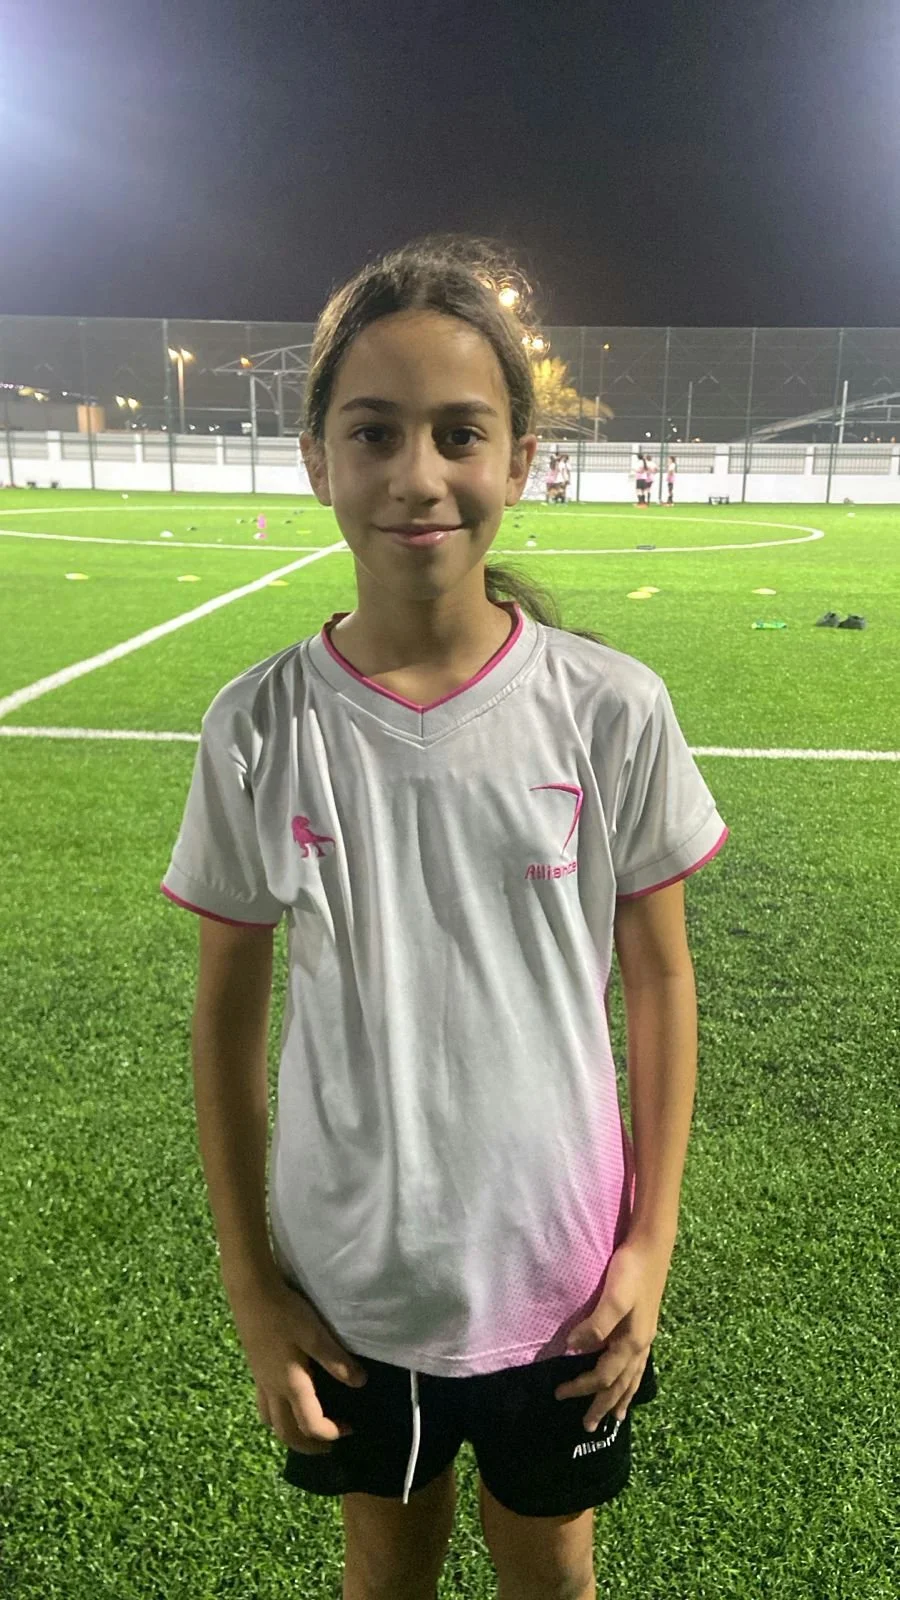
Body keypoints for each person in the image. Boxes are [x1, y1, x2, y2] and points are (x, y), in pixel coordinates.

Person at [161, 235, 728, 1600]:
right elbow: (228, 1023)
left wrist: (649, 1249)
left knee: (553, 1577)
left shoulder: (612, 709)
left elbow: (658, 985)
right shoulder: (260, 727)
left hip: (565, 1276)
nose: (419, 475)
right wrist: (253, 1288)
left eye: (460, 434)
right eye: (375, 432)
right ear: (318, 460)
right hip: (357, 1287)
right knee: (384, 1572)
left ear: (520, 460)